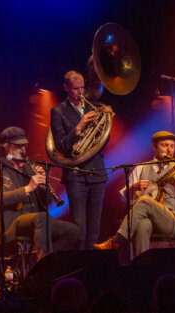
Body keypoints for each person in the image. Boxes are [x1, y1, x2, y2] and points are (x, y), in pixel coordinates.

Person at [94, 131, 175, 257]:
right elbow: (123, 199)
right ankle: (141, 268)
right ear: (154, 147)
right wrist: (133, 187)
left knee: (144, 201)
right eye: (165, 145)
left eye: (172, 146)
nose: (169, 149)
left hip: (170, 221)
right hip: (146, 219)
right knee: (142, 225)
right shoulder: (141, 168)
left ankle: (116, 241)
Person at [0, 126, 79, 260]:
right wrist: (28, 188)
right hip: (11, 222)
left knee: (73, 231)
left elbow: (46, 202)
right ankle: (43, 267)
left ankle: (48, 262)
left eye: (24, 145)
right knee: (41, 218)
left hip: (37, 220)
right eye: (18, 146)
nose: (23, 149)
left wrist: (43, 188)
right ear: (6, 146)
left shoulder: (29, 167)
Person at [50, 70, 112, 250]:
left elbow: (102, 139)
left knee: (95, 229)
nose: (80, 92)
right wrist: (79, 126)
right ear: (66, 88)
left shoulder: (93, 108)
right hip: (76, 176)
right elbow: (61, 145)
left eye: (82, 88)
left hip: (97, 173)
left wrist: (106, 122)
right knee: (80, 230)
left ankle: (93, 268)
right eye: (76, 89)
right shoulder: (58, 111)